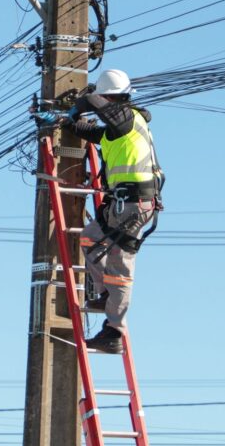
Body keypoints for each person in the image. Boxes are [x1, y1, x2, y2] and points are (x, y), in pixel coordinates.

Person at [51, 69, 164, 353]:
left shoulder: (128, 118)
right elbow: (90, 132)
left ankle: (114, 332)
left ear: (111, 98)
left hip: (135, 203)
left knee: (119, 267)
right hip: (121, 202)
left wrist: (79, 105)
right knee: (90, 238)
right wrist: (65, 122)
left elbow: (93, 102)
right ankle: (105, 295)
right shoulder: (116, 132)